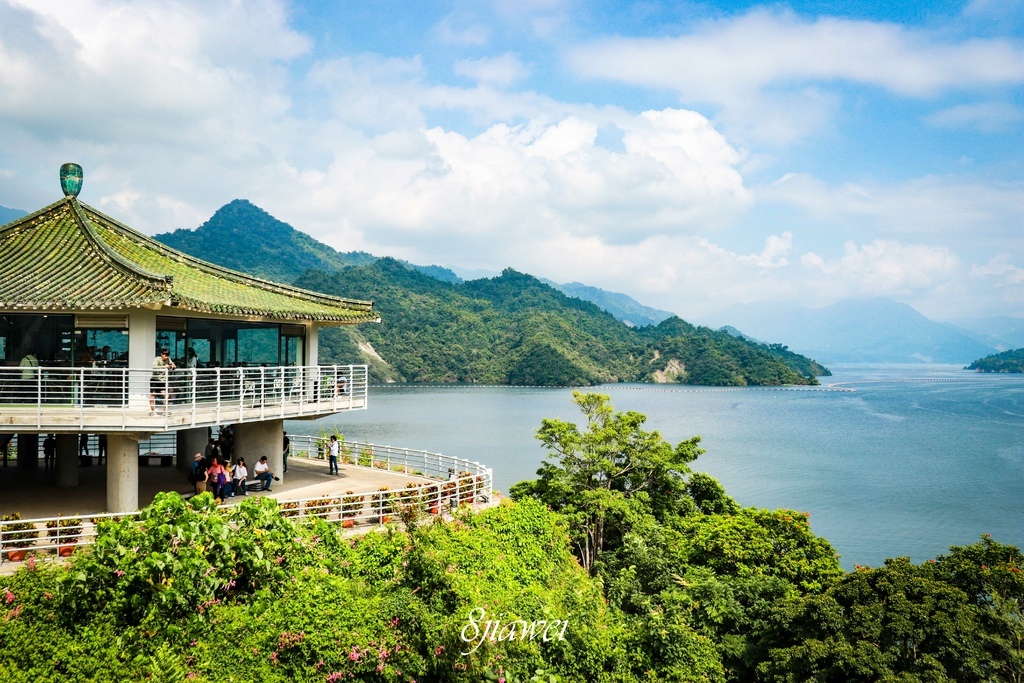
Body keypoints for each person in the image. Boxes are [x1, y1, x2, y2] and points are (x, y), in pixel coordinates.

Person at [149, 348, 175, 415]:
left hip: (162, 381)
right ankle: (153, 412)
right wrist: (164, 367)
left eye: (167, 355)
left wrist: (172, 366)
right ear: (162, 354)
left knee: (166, 396)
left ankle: (164, 412)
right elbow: (154, 367)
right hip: (155, 380)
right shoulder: (157, 359)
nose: (166, 357)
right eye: (165, 355)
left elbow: (172, 365)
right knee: (153, 396)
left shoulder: (168, 359)